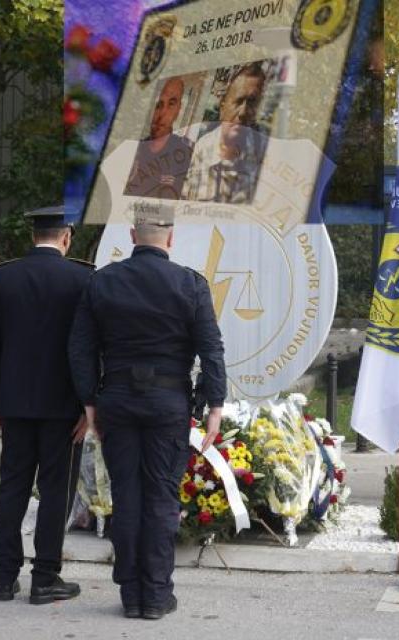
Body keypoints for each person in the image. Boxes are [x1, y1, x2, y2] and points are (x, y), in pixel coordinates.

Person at [68, 206, 226, 620]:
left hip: (117, 400)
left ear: (132, 236)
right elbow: (211, 349)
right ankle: (155, 594)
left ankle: (131, 593)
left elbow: (81, 348)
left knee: (126, 494)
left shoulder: (103, 281)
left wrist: (89, 402)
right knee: (160, 496)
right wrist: (215, 405)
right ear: (170, 238)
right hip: (167, 402)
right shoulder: (190, 284)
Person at [0, 206, 92, 604]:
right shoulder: (83, 279)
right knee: (55, 491)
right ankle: (45, 576)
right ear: (66, 237)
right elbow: (89, 349)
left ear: (33, 236)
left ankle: (5, 576)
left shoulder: (1, 278)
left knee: (13, 487)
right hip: (64, 407)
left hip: (15, 404)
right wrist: (88, 404)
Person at [183, 63, 268, 204]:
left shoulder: (265, 154)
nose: (243, 112)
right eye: (238, 101)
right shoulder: (200, 150)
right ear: (223, 106)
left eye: (252, 102)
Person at [124, 77, 194, 200]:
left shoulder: (186, 154)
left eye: (171, 104)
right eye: (159, 105)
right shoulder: (134, 149)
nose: (162, 113)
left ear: (178, 110)